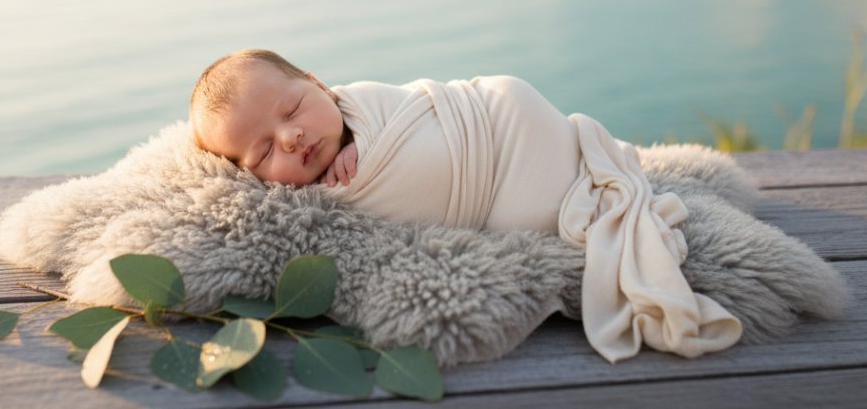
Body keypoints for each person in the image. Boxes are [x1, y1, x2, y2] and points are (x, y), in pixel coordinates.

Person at [189, 48, 743, 363]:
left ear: (319, 83)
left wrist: (361, 145)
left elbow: (418, 108)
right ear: (243, 173)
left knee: (534, 210)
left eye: (294, 108)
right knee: (518, 218)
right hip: (488, 162)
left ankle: (573, 173)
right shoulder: (311, 202)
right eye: (263, 150)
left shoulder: (364, 103)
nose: (290, 138)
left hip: (501, 114)